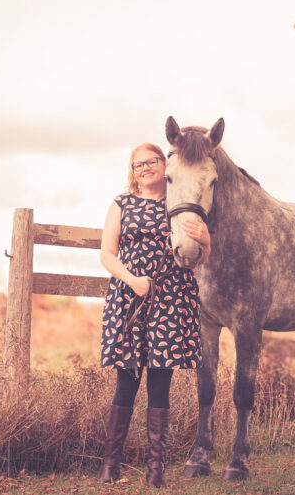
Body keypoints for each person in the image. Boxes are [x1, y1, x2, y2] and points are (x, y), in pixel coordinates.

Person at [97, 142, 210, 487]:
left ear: (165, 164)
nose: (145, 168)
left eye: (152, 161)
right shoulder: (122, 203)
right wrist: (133, 281)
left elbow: (197, 256)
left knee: (160, 383)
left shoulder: (178, 204)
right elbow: (107, 254)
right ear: (132, 172)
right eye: (138, 164)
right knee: (126, 382)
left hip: (171, 298)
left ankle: (155, 471)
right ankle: (110, 466)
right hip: (131, 298)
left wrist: (206, 240)